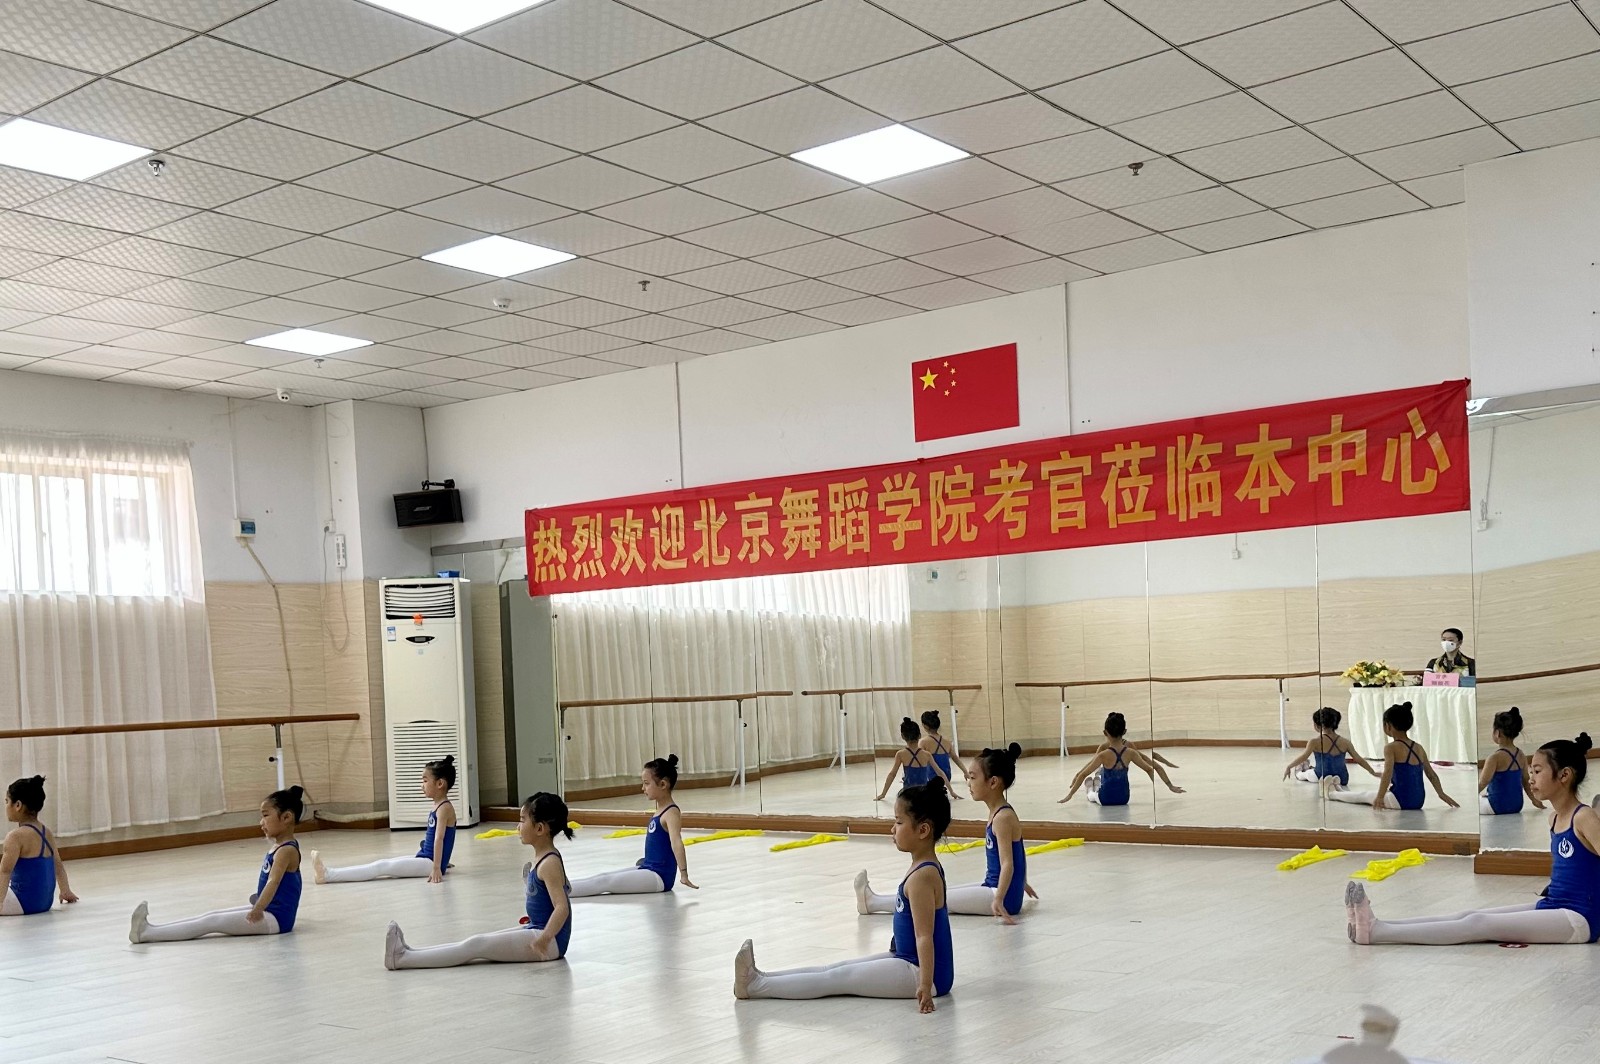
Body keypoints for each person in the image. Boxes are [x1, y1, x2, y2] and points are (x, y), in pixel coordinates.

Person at [1346, 733, 1599, 945]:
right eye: (1530, 770)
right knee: (1469, 914)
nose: (1530, 778)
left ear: (1564, 775)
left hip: (1580, 918)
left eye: (1537, 771)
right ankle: (1376, 924)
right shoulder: (1553, 818)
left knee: (1480, 923)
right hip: (1554, 904)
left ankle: (1377, 933)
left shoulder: (1584, 817)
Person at [735, 782, 954, 1011]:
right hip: (907, 959)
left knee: (838, 978)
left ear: (923, 830)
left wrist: (925, 985)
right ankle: (759, 977)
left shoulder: (923, 876)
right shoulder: (921, 867)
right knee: (834, 969)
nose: (892, 829)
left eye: (899, 822)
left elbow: (924, 936)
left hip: (925, 974)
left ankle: (756, 986)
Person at [385, 792, 572, 969]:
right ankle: (409, 953)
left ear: (539, 828)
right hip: (538, 929)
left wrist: (545, 939)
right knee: (477, 941)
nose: (518, 827)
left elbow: (562, 907)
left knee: (476, 945)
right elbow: (565, 889)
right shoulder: (546, 858)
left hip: (549, 943)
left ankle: (402, 959)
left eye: (522, 820)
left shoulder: (549, 863)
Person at [858, 743, 1036, 923]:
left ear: (993, 782)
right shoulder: (1000, 813)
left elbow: (1008, 863)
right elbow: (1017, 854)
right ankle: (874, 901)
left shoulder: (1003, 817)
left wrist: (1000, 899)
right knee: (941, 893)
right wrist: (1021, 882)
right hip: (997, 888)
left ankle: (873, 903)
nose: (968, 782)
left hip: (1001, 895)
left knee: (933, 898)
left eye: (972, 777)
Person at [130, 786, 304, 942]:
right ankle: (150, 929)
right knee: (211, 916)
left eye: (265, 815)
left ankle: (146, 934)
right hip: (270, 911)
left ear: (286, 817)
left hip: (276, 919)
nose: (261, 822)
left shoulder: (286, 850)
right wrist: (259, 901)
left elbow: (273, 882)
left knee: (212, 922)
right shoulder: (280, 847)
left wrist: (258, 908)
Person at [313, 755, 458, 884]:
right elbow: (443, 839)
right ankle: (328, 873)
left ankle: (327, 875)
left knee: (381, 867)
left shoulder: (444, 808)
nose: (422, 786)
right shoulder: (439, 806)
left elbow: (439, 839)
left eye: (425, 781)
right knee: (383, 862)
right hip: (426, 858)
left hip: (429, 863)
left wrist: (437, 867)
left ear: (440, 784)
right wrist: (443, 859)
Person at [569, 755, 696, 896]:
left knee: (604, 882)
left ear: (662, 784)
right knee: (603, 877)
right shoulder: (661, 810)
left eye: (646, 783)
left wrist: (683, 874)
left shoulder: (671, 812)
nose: (643, 788)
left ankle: (559, 894)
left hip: (659, 876)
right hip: (649, 868)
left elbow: (676, 842)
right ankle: (558, 888)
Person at [1327, 703, 1458, 811]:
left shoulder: (1391, 747)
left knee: (1364, 796)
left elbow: (1387, 774)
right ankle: (1339, 791)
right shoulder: (1419, 747)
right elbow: (1431, 775)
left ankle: (1333, 794)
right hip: (1418, 802)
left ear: (1388, 726)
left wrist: (1380, 797)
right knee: (1367, 795)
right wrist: (1441, 794)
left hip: (1399, 800)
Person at [1058, 712, 1184, 805]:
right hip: (1124, 798)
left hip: (1105, 797)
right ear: (1124, 731)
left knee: (1092, 792)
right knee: (1099, 772)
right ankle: (1095, 782)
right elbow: (1151, 766)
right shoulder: (1127, 751)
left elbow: (1086, 770)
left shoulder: (1106, 751)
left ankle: (1091, 787)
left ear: (1105, 732)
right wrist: (1169, 785)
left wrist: (1071, 792)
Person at [1, 775, 77, 916]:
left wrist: (0, 902)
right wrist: (65, 891)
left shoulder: (15, 837)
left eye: (7, 801)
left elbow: (5, 871)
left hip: (22, 903)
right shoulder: (46, 832)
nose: (5, 806)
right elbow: (58, 866)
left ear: (17, 805)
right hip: (44, 903)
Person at [1283, 708, 1378, 789]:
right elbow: (1359, 759)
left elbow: (1304, 756)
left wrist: (1289, 766)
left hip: (1321, 776)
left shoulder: (1314, 742)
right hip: (1343, 778)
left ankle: (1301, 769)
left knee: (1302, 774)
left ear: (1317, 726)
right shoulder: (1346, 742)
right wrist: (1372, 771)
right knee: (1310, 768)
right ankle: (1307, 767)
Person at [1479, 707, 1543, 815]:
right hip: (1517, 806)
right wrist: (1534, 800)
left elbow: (1482, 783)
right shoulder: (1521, 755)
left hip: (1496, 806)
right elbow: (1526, 781)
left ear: (1497, 733)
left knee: (1477, 799)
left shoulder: (1494, 758)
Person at [876, 717, 952, 802]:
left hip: (908, 794)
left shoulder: (901, 754)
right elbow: (940, 773)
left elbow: (892, 774)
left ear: (903, 736)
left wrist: (883, 794)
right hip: (923, 793)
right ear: (919, 735)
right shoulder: (927, 755)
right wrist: (951, 791)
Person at [918, 711, 961, 800]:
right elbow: (956, 758)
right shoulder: (947, 742)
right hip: (947, 777)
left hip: (932, 777)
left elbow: (919, 761)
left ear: (925, 726)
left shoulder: (923, 742)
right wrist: (966, 772)